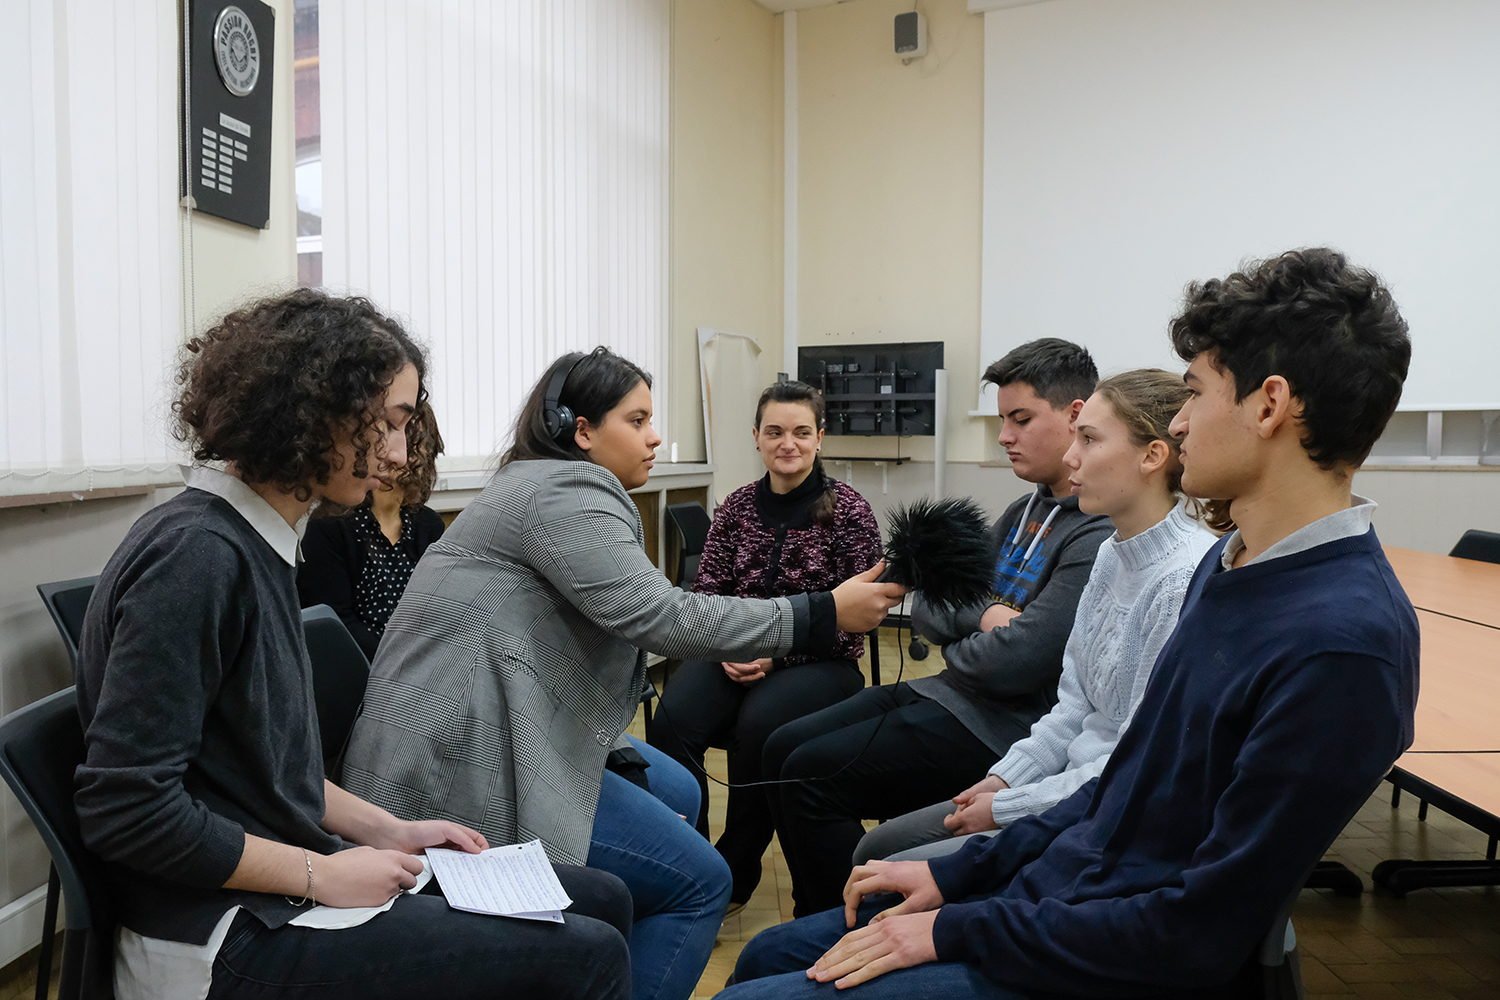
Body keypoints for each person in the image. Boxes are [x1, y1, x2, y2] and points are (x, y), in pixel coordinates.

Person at [720, 247, 1419, 999]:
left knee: (755, 991)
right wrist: (964, 873)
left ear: (1270, 405)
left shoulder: (1341, 645)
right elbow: (1121, 788)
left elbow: (1197, 932)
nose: (1181, 423)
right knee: (767, 957)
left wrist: (958, 924)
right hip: (1061, 894)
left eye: (1194, 392)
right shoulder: (1236, 572)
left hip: (1105, 952)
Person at [74, 290, 633, 1000]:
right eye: (389, 426)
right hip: (218, 931)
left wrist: (388, 829)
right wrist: (324, 873)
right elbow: (127, 810)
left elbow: (267, 766)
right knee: (586, 956)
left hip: (281, 879)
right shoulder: (198, 557)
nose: (398, 454)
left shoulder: (255, 540)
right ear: (314, 412)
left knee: (602, 900)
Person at [340, 347, 904, 1000]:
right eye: (637, 420)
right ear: (582, 431)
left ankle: (604, 936)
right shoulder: (566, 492)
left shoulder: (545, 481)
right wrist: (823, 610)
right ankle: (613, 946)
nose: (655, 435)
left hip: (497, 714)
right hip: (462, 753)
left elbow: (665, 609)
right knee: (701, 882)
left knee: (682, 790)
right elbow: (662, 613)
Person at [761, 338, 1114, 916]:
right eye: (1003, 420)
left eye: (1020, 420)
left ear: (1076, 416)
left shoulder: (1094, 533)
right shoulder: (1024, 511)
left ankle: (833, 926)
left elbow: (1020, 662)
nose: (1004, 436)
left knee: (808, 776)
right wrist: (987, 618)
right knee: (780, 748)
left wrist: (967, 635)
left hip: (1000, 728)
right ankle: (826, 911)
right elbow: (926, 609)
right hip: (948, 693)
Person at [854, 368, 1221, 867]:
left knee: (888, 863)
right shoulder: (1114, 553)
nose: (1070, 457)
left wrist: (1007, 806)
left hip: (1100, 818)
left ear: (1152, 457)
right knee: (878, 847)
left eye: (1088, 440)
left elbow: (1132, 762)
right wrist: (1004, 778)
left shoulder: (1183, 579)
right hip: (1054, 788)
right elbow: (1072, 709)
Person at [647, 379, 883, 907]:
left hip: (823, 661)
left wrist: (778, 651)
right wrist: (729, 648)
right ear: (756, 437)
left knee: (761, 727)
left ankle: (738, 862)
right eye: (774, 432)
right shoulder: (734, 508)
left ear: (820, 438)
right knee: (673, 723)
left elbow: (862, 615)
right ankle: (689, 857)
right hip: (733, 652)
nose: (788, 444)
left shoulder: (849, 512)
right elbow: (706, 596)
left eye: (801, 432)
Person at [298, 399, 447, 660]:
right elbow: (334, 624)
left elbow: (438, 612)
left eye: (419, 444)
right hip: (357, 671)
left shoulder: (429, 526)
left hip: (423, 665)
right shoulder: (330, 528)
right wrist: (396, 665)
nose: (406, 454)